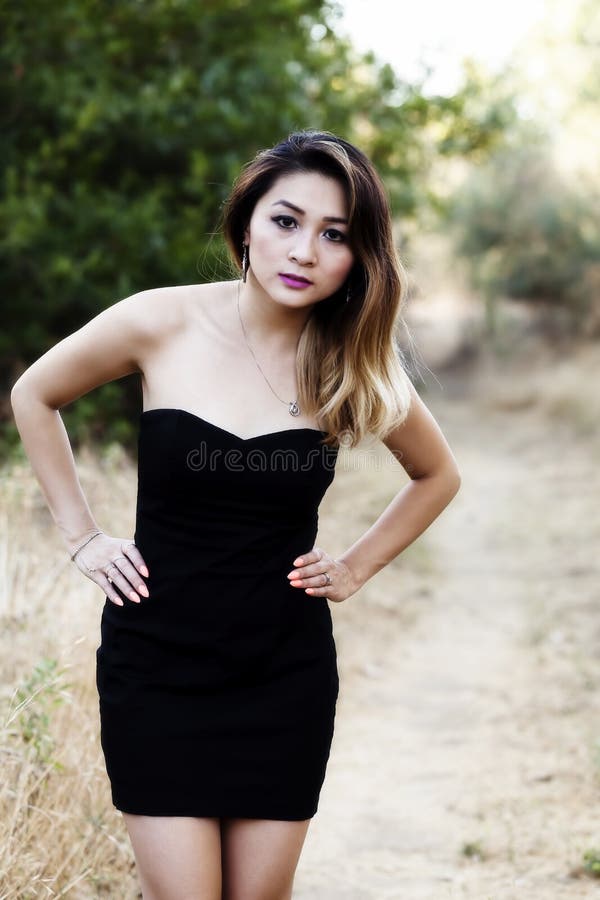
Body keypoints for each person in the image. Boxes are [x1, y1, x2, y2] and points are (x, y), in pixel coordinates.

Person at [10, 129, 461, 900]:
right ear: (246, 221)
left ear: (359, 258)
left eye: (335, 235)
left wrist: (354, 566)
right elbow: (35, 395)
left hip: (282, 674)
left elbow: (436, 474)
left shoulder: (350, 359)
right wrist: (82, 537)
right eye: (286, 221)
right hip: (156, 667)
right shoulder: (160, 322)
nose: (305, 252)